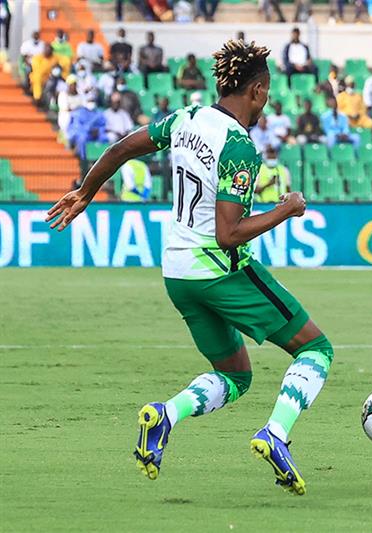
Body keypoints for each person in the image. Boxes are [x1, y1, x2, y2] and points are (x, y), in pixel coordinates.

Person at [46, 40, 333, 496]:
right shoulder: (239, 145)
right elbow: (228, 233)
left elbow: (122, 148)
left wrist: (86, 190)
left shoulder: (187, 118)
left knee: (236, 376)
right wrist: (288, 208)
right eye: (268, 92)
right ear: (257, 90)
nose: (267, 101)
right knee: (316, 349)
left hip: (178, 273)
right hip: (220, 271)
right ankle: (275, 433)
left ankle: (164, 416)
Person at [67, 95, 108, 160]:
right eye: (89, 101)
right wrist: (89, 130)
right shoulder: (79, 112)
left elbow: (103, 125)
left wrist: (98, 130)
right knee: (82, 139)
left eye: (92, 101)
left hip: (97, 134)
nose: (91, 103)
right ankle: (83, 160)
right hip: (84, 134)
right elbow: (77, 127)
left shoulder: (99, 112)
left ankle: (103, 160)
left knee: (105, 138)